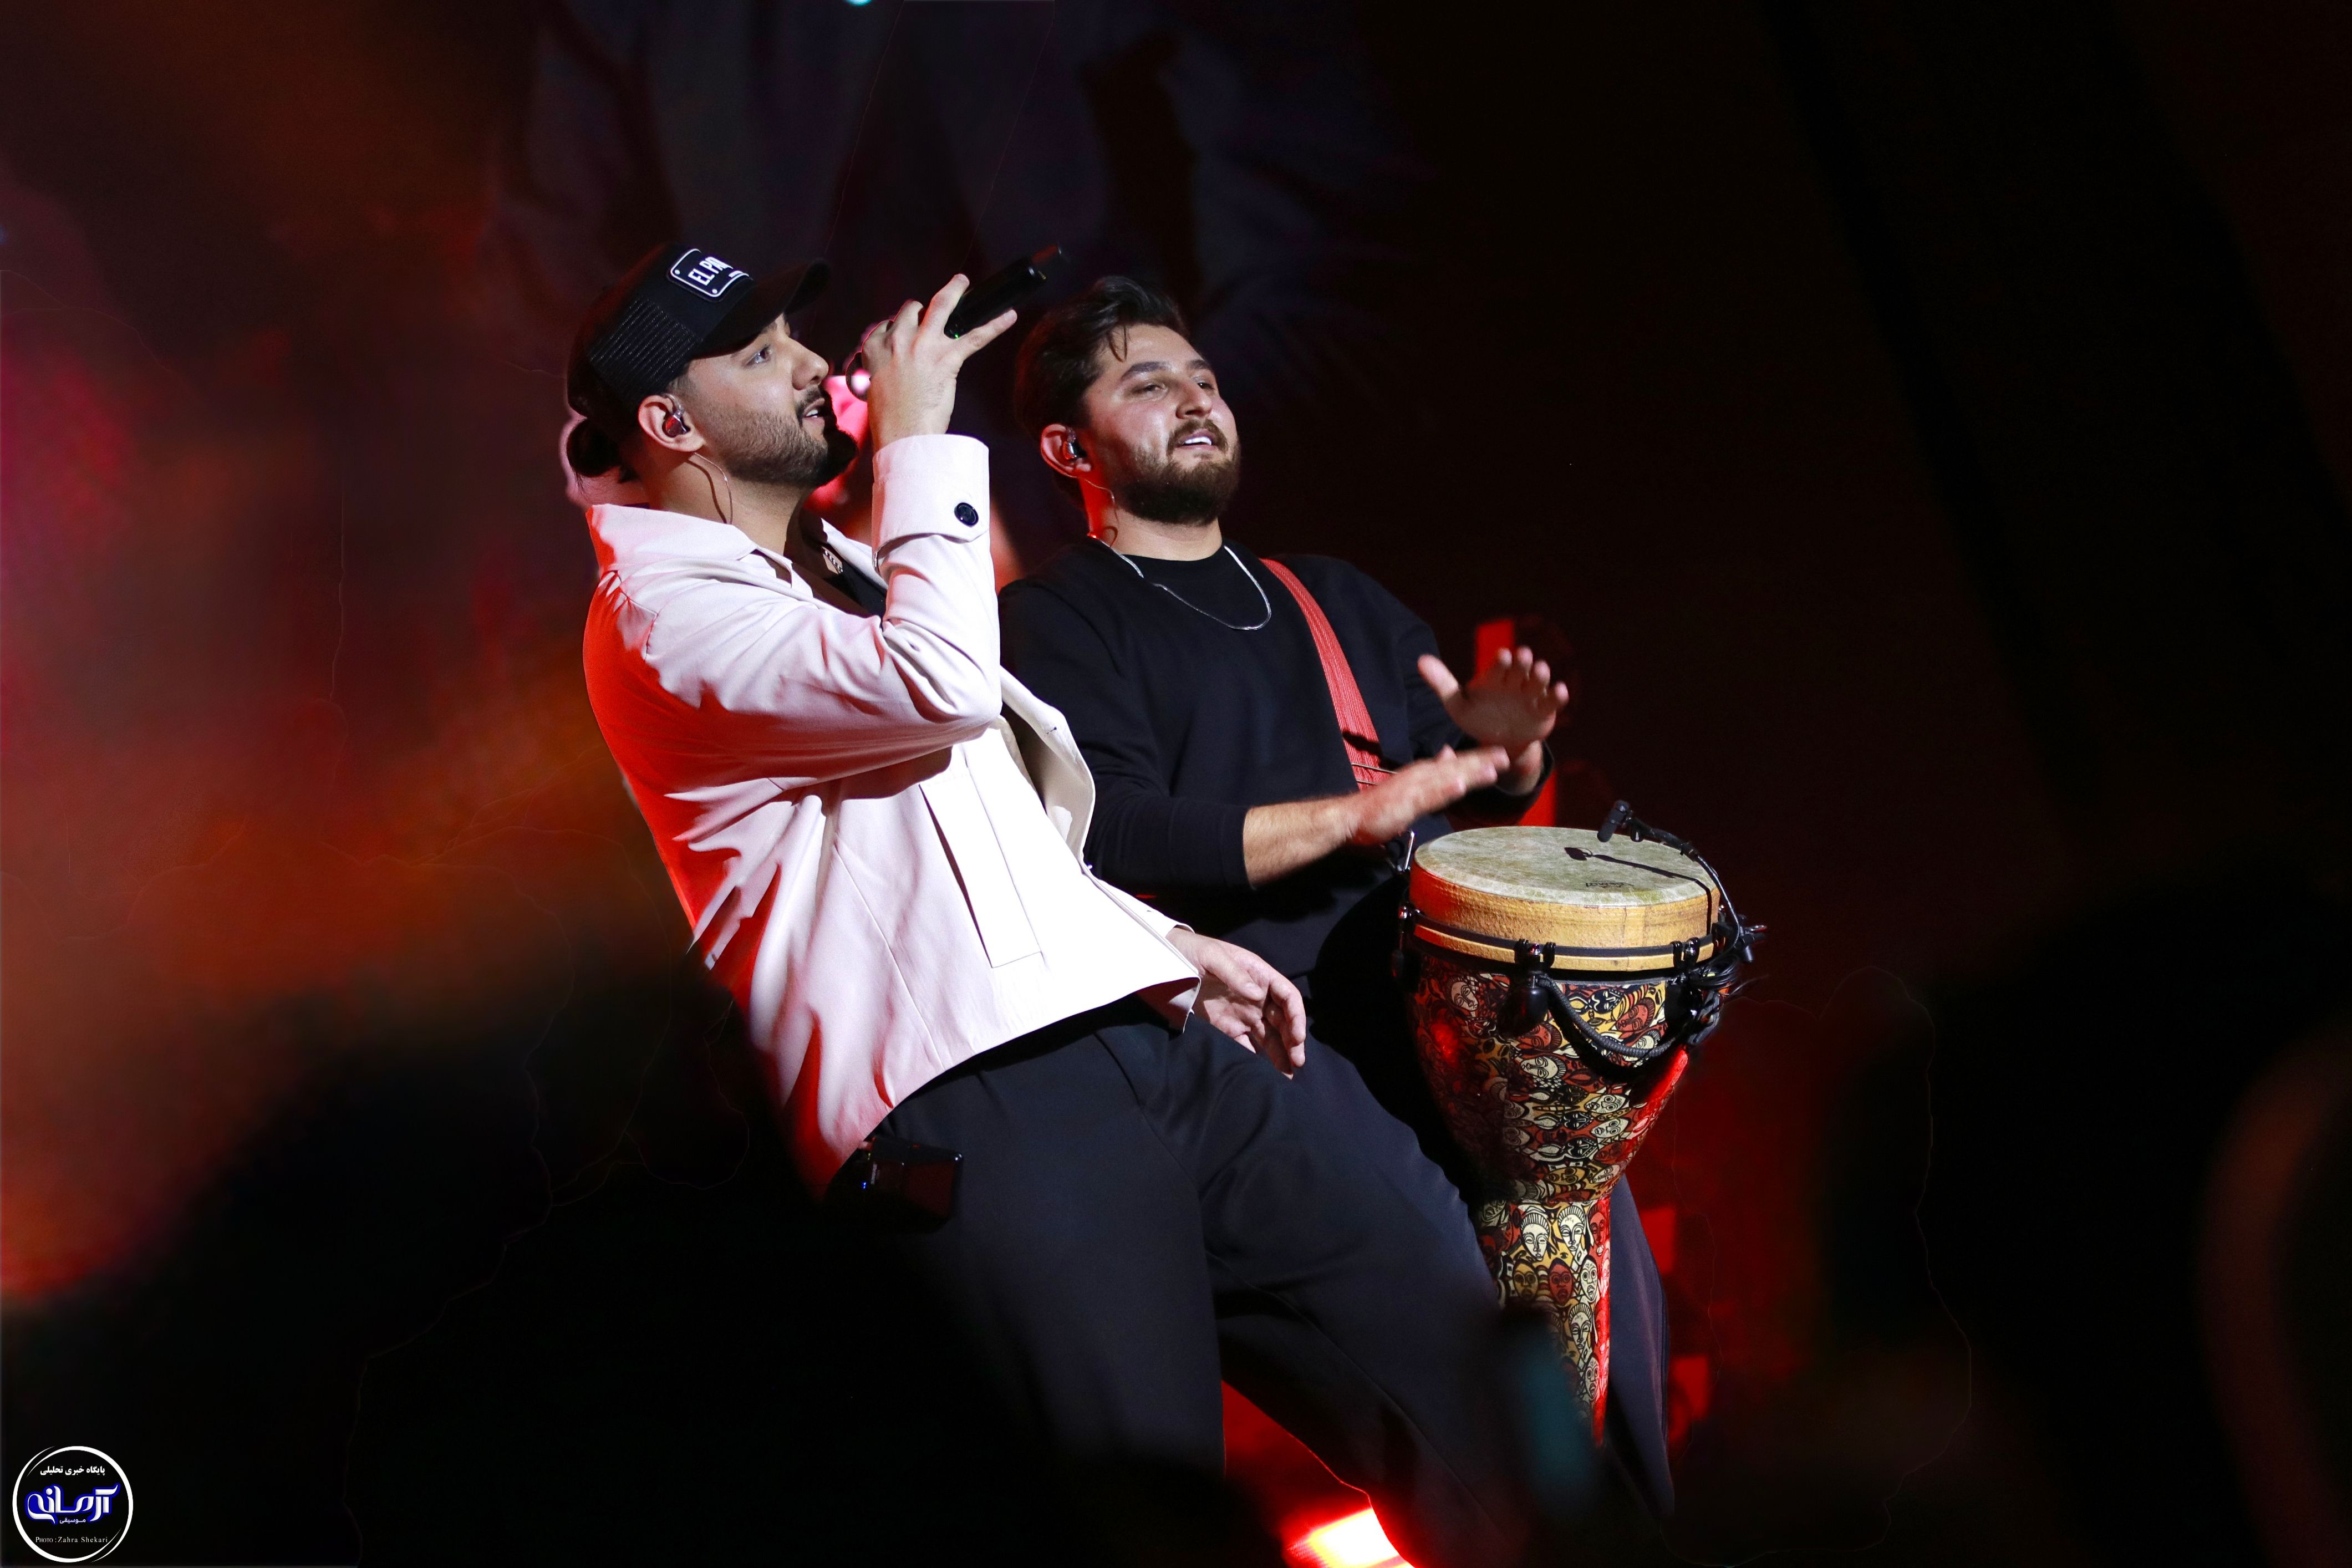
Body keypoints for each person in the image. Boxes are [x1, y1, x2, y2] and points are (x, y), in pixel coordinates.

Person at [563, 242, 1530, 1568]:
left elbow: (986, 829)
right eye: (761, 352)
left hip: (1138, 1031)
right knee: (1148, 1505)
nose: (811, 364)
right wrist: (916, 444)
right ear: (672, 425)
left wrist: (1162, 942)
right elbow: (943, 687)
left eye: (796, 334)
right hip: (978, 1104)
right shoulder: (660, 619)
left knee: (1453, 1350)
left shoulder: (835, 564)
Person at [998, 276, 1675, 1512]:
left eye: (1204, 378)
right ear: (1067, 448)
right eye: (1147, 383)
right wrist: (1355, 815)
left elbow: (1459, 791)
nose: (1195, 400)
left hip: (1436, 1014)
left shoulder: (1331, 595)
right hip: (1269, 1038)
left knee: (1600, 1303)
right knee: (1462, 1366)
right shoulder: (1052, 622)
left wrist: (1511, 755)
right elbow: (1116, 827)